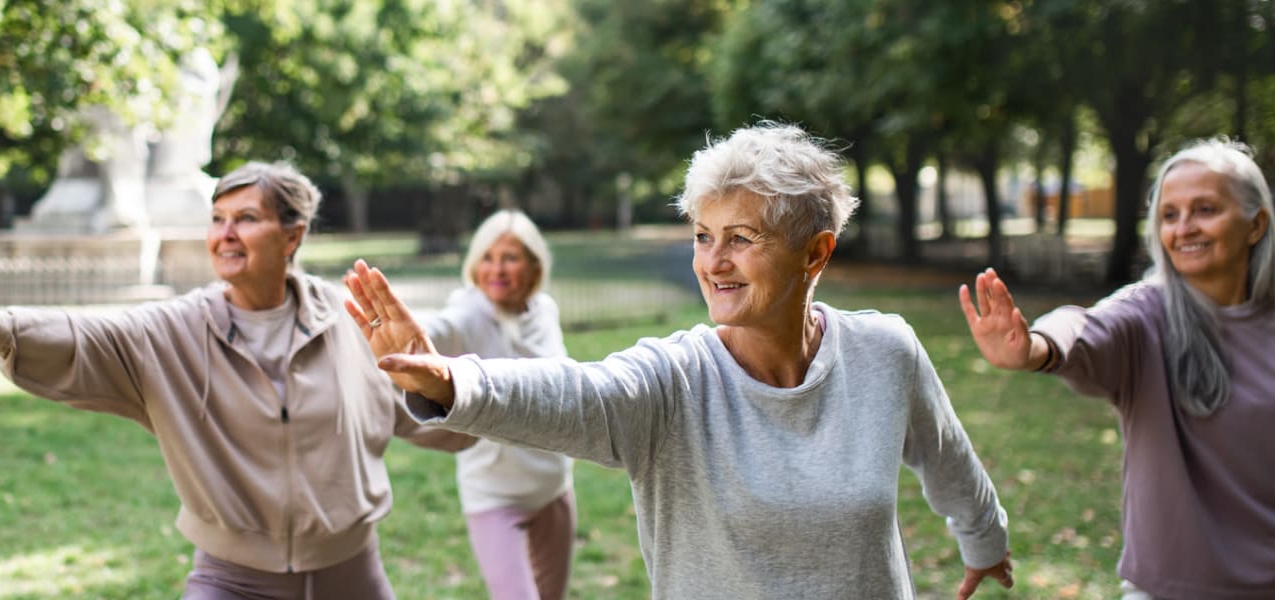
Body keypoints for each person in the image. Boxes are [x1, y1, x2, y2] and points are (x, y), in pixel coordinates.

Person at [342, 123, 1015, 599]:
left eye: (741, 239)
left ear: (816, 253)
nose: (712, 262)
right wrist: (450, 379)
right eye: (701, 236)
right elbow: (578, 395)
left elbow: (947, 455)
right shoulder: (674, 381)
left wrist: (984, 540)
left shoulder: (884, 352)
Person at [0, 162, 474, 600]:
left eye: (247, 219)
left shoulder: (348, 320)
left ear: (292, 236)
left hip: (352, 571)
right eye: (218, 220)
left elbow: (423, 409)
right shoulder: (177, 328)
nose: (225, 234)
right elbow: (86, 336)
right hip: (231, 578)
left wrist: (456, 394)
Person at [958, 138, 1275, 600]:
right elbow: (1083, 328)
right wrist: (1033, 349)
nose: (1184, 228)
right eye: (1170, 215)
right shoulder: (1145, 315)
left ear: (1256, 224)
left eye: (1205, 209)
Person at [415, 210, 576, 600]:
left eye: (510, 258)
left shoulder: (545, 311)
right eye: (487, 258)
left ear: (535, 266)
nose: (497, 270)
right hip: (495, 495)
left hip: (553, 487)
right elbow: (438, 328)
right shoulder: (469, 313)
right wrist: (409, 333)